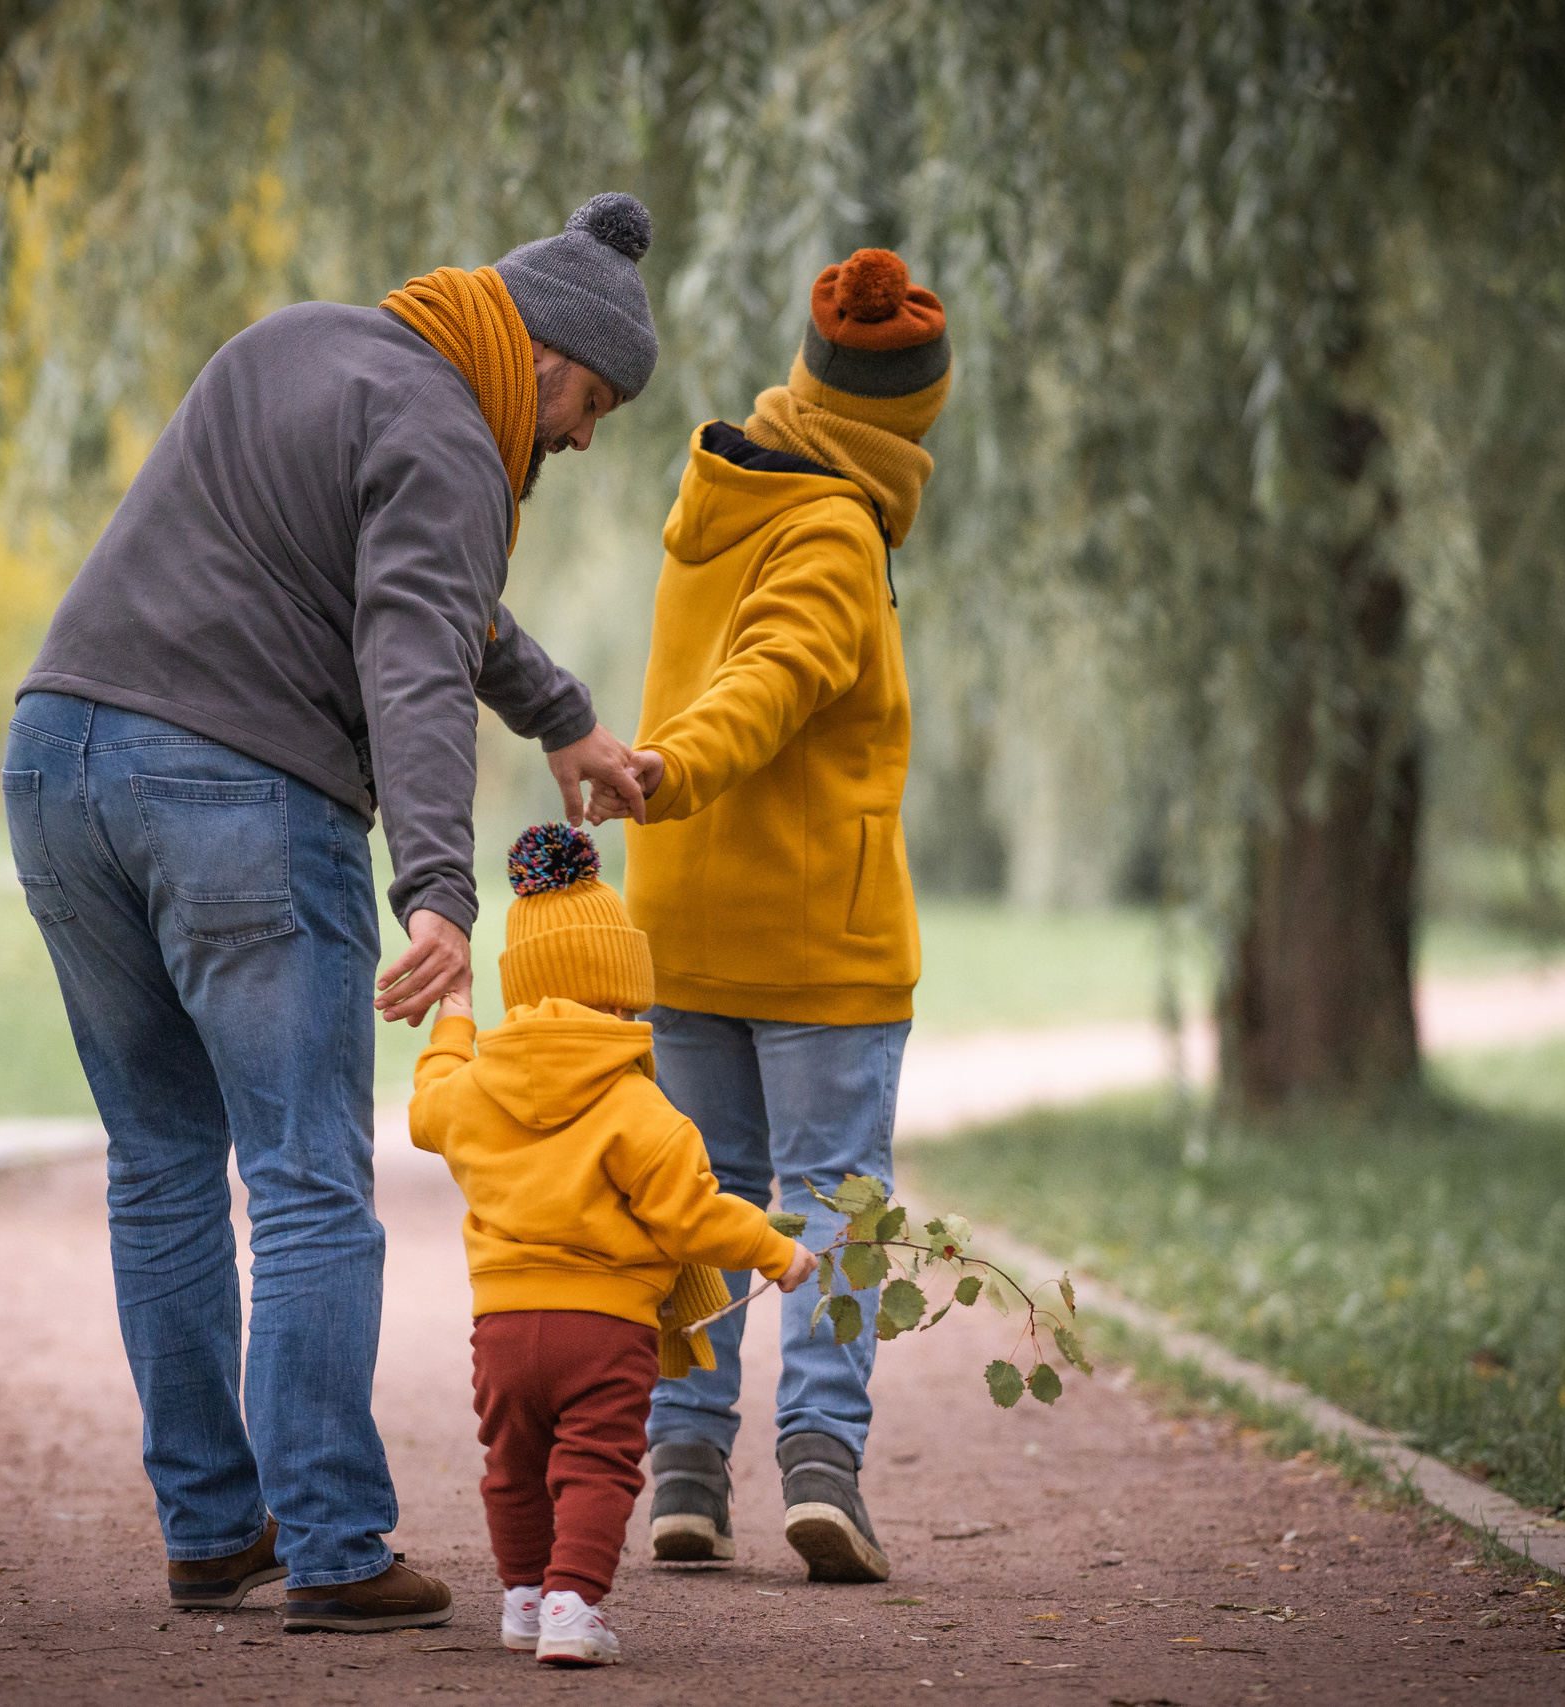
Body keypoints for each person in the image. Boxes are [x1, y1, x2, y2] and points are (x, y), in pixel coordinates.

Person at [1, 193, 662, 1633]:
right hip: (235, 789)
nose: (578, 441)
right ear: (544, 359)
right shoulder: (452, 436)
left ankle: (211, 1528)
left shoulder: (297, 345)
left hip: (55, 760)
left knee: (160, 1161)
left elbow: (411, 590)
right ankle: (334, 1546)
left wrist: (560, 715)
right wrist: (438, 887)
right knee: (305, 1172)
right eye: (591, 405)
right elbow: (412, 648)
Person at [616, 246, 951, 1584]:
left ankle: (686, 1473)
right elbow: (777, 675)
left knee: (696, 1196)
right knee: (830, 1202)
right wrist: (674, 768)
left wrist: (665, 782)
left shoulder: (722, 492)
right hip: (816, 934)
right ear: (907, 419)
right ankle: (820, 1464)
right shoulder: (834, 526)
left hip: (683, 922)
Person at [410, 824, 816, 1666]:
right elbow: (693, 1215)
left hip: (503, 1328)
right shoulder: (642, 1110)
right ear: (623, 995)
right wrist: (775, 1251)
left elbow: (427, 1103)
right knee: (597, 1467)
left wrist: (455, 1019)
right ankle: (573, 1603)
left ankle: (524, 1598)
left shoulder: (475, 1089)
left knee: (513, 1464)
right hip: (606, 1330)